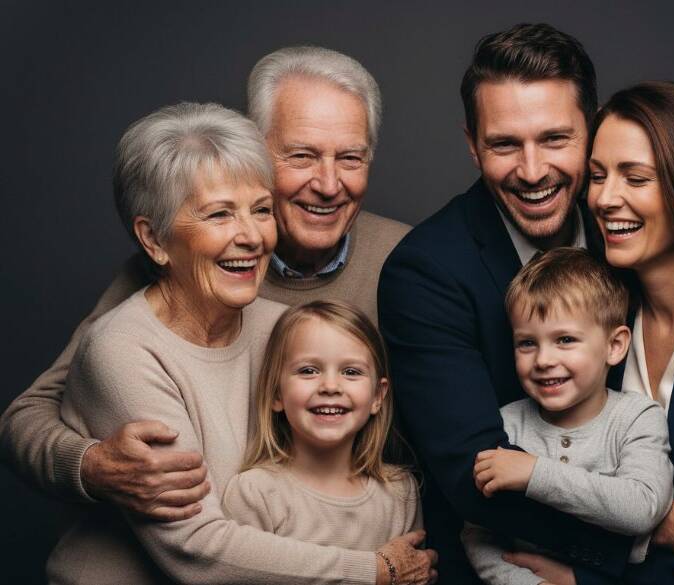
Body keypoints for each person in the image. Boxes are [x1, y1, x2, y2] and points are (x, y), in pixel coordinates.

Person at [378, 23, 674, 585]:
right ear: (472, 145)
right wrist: (659, 525)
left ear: (590, 130)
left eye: (555, 139)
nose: (532, 170)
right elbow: (476, 477)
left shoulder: (625, 242)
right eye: (504, 143)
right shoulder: (428, 271)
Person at [0, 46, 410, 526]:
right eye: (301, 156)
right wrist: (93, 465)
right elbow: (25, 417)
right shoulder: (178, 268)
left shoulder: (408, 261)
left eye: (350, 158)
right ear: (253, 153)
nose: (328, 183)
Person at [45, 102, 434, 585]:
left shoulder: (283, 328)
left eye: (261, 209)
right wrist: (374, 570)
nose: (251, 236)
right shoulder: (122, 350)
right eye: (219, 214)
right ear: (154, 240)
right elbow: (195, 550)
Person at [461, 248, 673, 585]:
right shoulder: (504, 425)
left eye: (565, 339)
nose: (543, 359)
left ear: (614, 345)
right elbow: (478, 533)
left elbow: (642, 506)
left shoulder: (637, 418)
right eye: (527, 343)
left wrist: (534, 472)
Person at [223, 300, 433, 585]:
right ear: (276, 394)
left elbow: (413, 575)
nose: (330, 386)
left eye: (351, 372)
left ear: (377, 397)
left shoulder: (400, 491)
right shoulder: (255, 494)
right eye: (309, 370)